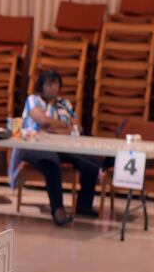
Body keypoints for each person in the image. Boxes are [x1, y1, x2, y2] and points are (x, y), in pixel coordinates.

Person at [9, 70, 101, 226]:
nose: (53, 88)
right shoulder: (33, 100)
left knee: (91, 161)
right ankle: (58, 211)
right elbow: (43, 122)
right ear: (41, 86)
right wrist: (65, 125)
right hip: (34, 146)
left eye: (56, 84)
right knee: (51, 164)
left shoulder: (64, 103)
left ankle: (84, 205)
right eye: (49, 84)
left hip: (62, 145)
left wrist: (57, 127)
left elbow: (77, 127)